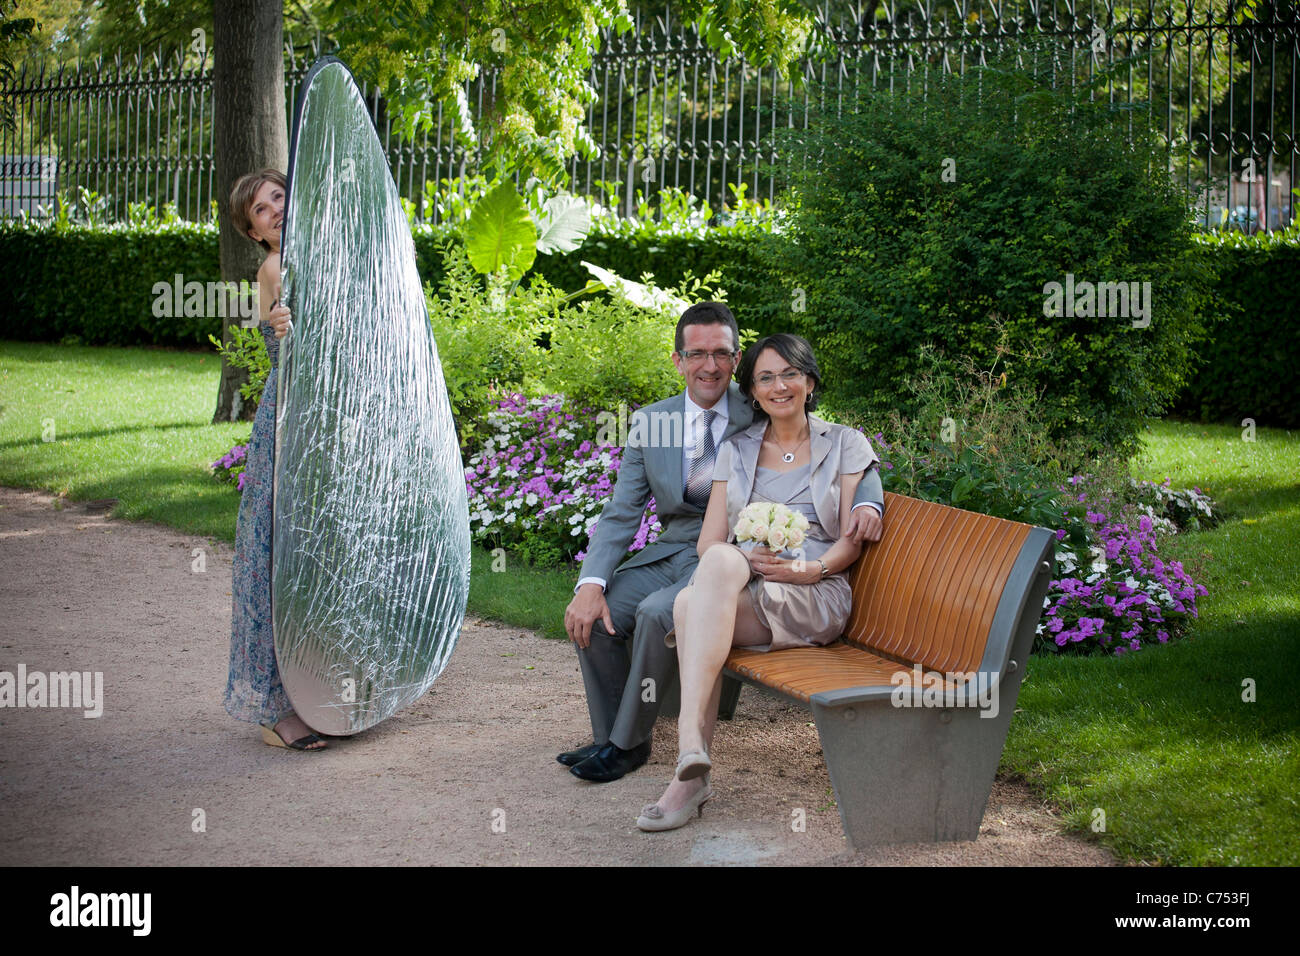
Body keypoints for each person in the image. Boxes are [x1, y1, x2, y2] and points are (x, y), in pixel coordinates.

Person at [562, 309, 884, 782]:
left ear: (736, 361)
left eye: (720, 354)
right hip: (674, 550)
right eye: (697, 354)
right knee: (599, 611)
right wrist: (590, 581)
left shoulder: (756, 405)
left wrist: (870, 504)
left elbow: (838, 453)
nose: (709, 366)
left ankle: (627, 742)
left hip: (735, 557)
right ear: (678, 360)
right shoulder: (653, 423)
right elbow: (622, 511)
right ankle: (612, 736)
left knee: (658, 613)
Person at [636, 333, 883, 830]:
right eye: (765, 377)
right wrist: (745, 556)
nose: (779, 386)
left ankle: (689, 757)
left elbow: (850, 541)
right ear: (752, 390)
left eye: (790, 374)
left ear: (809, 382)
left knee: (690, 607)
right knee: (710, 578)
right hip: (746, 588)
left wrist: (813, 568)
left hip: (815, 589)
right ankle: (690, 764)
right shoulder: (735, 450)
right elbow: (709, 542)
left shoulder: (844, 443)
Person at [222, 168, 323, 751]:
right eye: (262, 210)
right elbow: (284, 356)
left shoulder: (331, 254)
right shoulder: (273, 270)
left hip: (334, 426)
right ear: (255, 231)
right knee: (275, 556)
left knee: (321, 555)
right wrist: (281, 328)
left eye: (278, 197)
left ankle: (329, 683)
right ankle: (276, 707)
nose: (275, 211)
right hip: (289, 428)